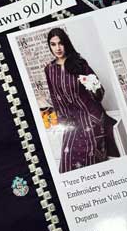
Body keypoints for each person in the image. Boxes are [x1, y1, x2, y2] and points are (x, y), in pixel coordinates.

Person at [44, 27, 118, 174]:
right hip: (71, 117)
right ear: (50, 46)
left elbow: (99, 92)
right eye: (53, 44)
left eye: (61, 43)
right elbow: (54, 96)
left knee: (91, 146)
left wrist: (92, 85)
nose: (58, 48)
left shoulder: (79, 63)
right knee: (69, 152)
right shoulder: (49, 69)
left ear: (66, 43)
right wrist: (63, 119)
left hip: (91, 114)